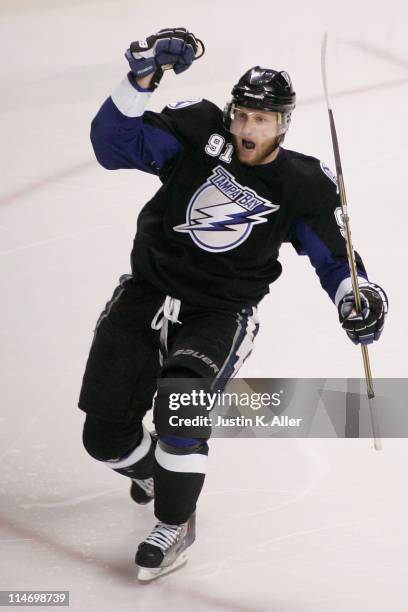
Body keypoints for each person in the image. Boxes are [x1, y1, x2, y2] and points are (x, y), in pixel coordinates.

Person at [78, 28, 388, 581]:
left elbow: (336, 261)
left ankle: (175, 520)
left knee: (180, 405)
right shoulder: (198, 131)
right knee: (102, 437)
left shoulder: (302, 184)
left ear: (283, 124)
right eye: (242, 114)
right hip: (147, 291)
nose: (247, 128)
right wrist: (142, 78)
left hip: (218, 313)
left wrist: (357, 300)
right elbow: (113, 145)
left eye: (261, 119)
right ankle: (155, 472)